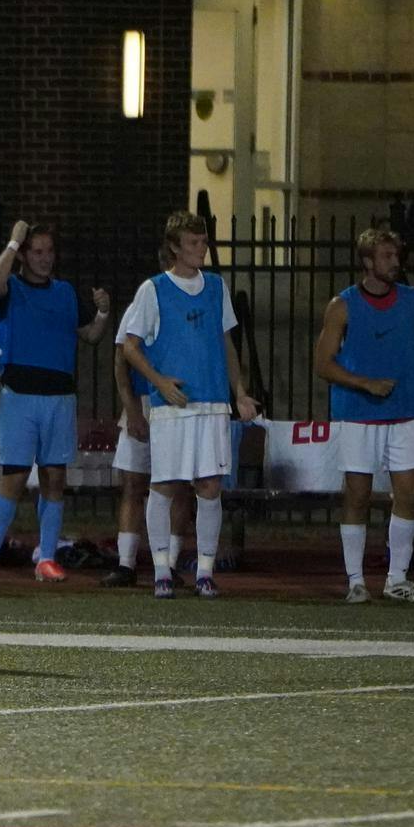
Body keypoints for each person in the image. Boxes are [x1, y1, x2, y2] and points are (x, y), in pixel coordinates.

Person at [117, 212, 260, 598]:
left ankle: (205, 572)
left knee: (210, 486)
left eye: (204, 241)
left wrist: (240, 392)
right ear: (175, 247)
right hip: (172, 407)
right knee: (163, 485)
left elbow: (227, 344)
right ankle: (161, 569)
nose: (202, 248)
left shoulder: (216, 287)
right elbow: (130, 347)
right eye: (194, 243)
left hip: (212, 403)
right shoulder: (154, 289)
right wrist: (160, 381)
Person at [0, 220, 111, 583]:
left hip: (59, 399)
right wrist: (12, 241)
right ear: (22, 254)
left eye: (49, 251)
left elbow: (91, 336)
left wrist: (102, 312)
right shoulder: (11, 289)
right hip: (19, 397)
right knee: (14, 478)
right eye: (36, 251)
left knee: (54, 478)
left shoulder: (65, 292)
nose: (45, 258)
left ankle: (47, 557)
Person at [314, 226, 414, 604]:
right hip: (358, 415)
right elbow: (322, 363)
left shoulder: (409, 299)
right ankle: (355, 580)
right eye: (387, 256)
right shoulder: (343, 305)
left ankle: (396, 578)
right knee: (358, 496)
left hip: (402, 414)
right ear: (368, 261)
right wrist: (364, 383)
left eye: (396, 255)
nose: (395, 262)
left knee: (409, 493)